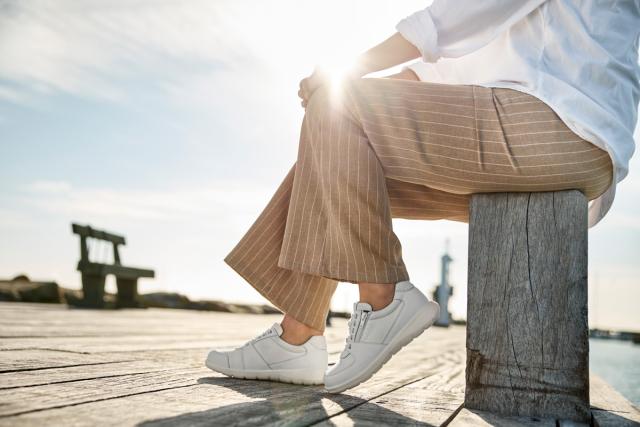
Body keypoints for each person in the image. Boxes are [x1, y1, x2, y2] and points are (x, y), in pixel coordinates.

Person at [205, 0, 640, 393]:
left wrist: (346, 75)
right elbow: (442, 68)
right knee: (332, 149)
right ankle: (296, 337)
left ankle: (382, 299)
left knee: (339, 107)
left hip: (561, 128)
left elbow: (450, 20)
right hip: (545, 134)